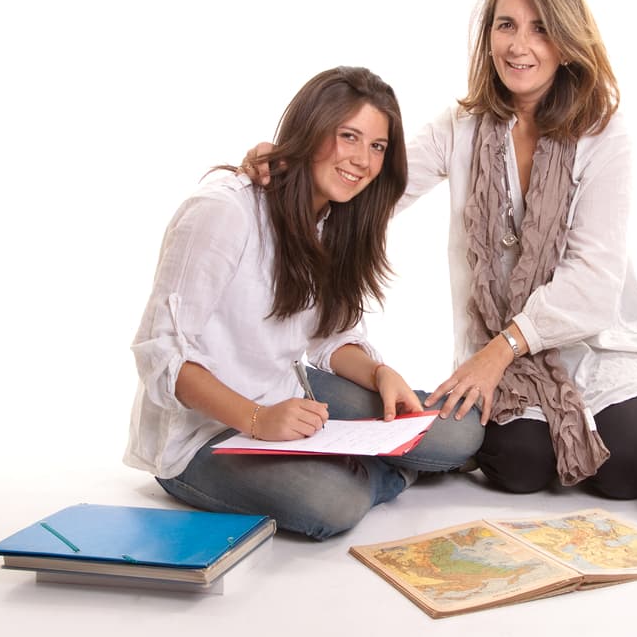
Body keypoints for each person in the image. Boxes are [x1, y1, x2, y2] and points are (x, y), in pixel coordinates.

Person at [243, 0, 637, 500]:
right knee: (518, 467)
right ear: (488, 36)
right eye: (506, 25)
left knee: (624, 472)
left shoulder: (604, 134)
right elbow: (376, 185)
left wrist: (497, 353)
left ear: (568, 44)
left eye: (540, 29)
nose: (519, 46)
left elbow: (592, 280)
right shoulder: (462, 127)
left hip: (600, 341)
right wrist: (291, 164)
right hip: (508, 355)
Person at [125, 66, 484, 541]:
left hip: (287, 396)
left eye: (377, 146)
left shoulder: (335, 218)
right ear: (312, 129)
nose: (362, 160)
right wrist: (257, 420)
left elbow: (330, 336)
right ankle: (373, 470)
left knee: (461, 433)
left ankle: (349, 458)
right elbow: (161, 356)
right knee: (333, 504)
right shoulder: (224, 210)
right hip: (201, 435)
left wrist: (379, 373)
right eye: (348, 136)